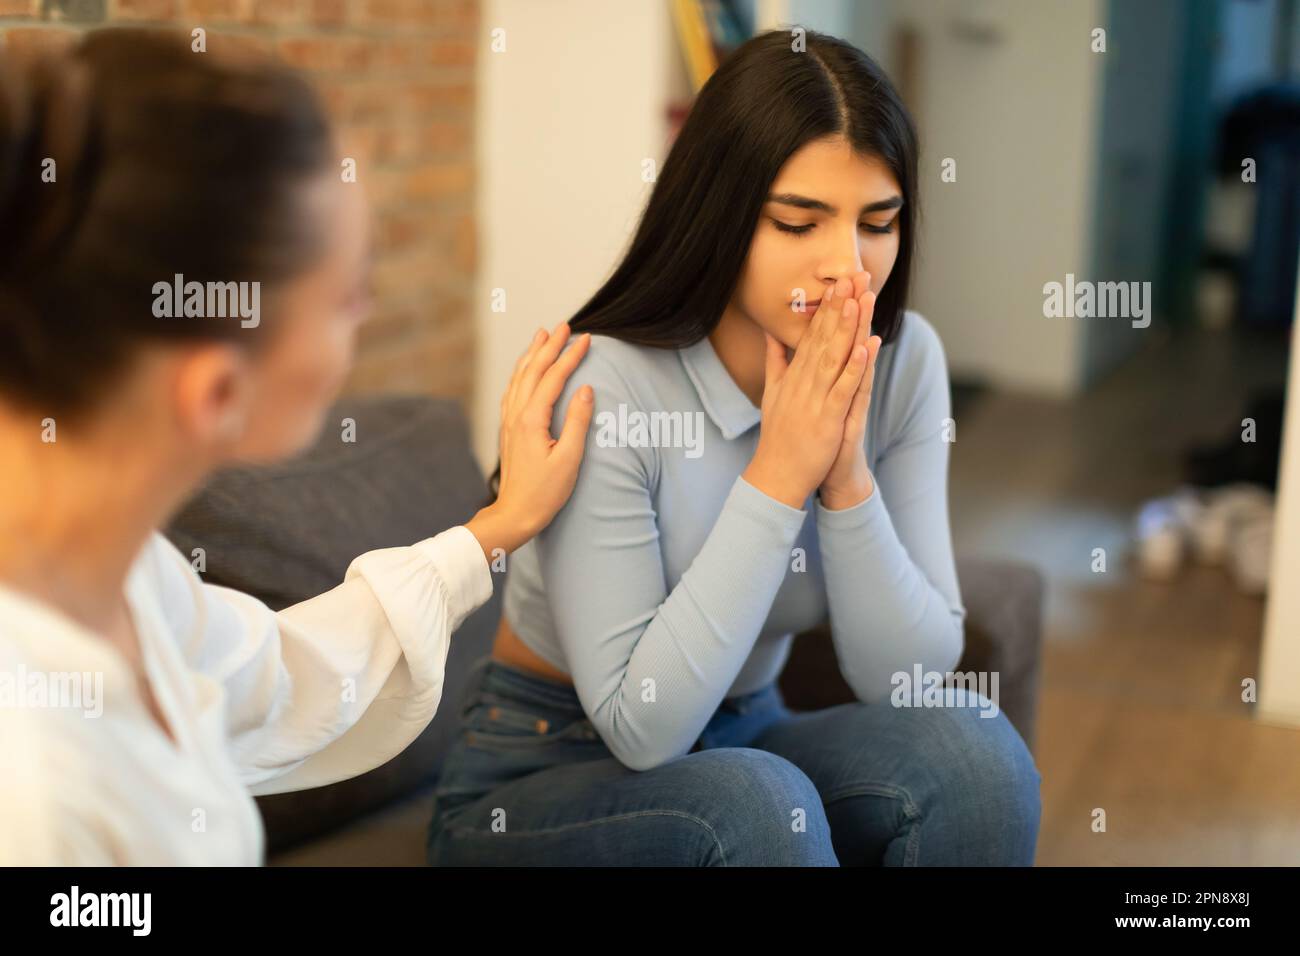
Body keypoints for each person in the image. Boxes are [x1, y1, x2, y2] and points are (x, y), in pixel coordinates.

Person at [427, 29, 1042, 866]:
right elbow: (643, 729)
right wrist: (780, 474)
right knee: (756, 804)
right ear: (721, 213)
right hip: (546, 761)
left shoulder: (904, 363)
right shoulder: (605, 387)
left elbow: (905, 681)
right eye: (799, 222)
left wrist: (846, 477)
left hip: (751, 729)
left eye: (878, 222)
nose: (847, 268)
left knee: (979, 758)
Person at [0, 29, 593, 865]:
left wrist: (497, 526)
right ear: (217, 393)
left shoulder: (125, 573)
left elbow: (281, 674)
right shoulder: (34, 788)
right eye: (348, 296)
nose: (368, 315)